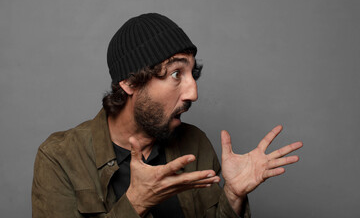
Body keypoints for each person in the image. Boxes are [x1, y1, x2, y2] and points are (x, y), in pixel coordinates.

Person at [32, 13, 303, 218]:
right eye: (176, 74)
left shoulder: (195, 143)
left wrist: (232, 197)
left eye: (192, 74)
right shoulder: (60, 157)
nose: (193, 93)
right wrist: (135, 203)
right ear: (129, 82)